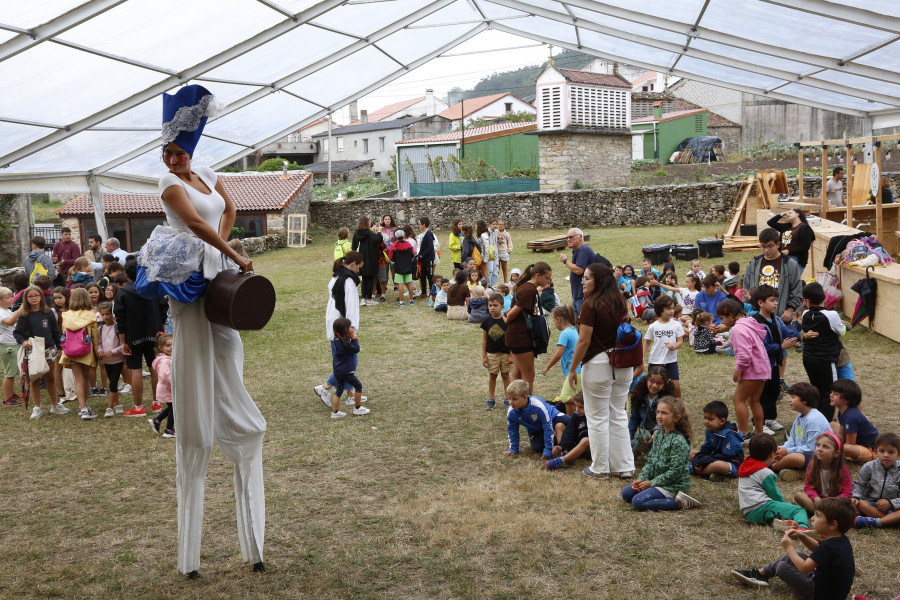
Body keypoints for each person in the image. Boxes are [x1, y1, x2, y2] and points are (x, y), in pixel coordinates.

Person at [151, 84, 266, 577]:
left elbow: (226, 209)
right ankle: (194, 419)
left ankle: (232, 411)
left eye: (178, 151)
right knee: (197, 353)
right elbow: (197, 225)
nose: (172, 158)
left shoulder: (209, 173)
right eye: (167, 152)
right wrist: (235, 252)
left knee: (230, 347)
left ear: (191, 149)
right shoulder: (168, 186)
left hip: (218, 279)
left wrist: (228, 245)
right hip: (191, 283)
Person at [568, 263, 634, 479]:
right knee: (618, 414)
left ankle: (600, 468)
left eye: (586, 278)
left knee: (597, 417)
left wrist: (572, 368)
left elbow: (583, 341)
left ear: (599, 281)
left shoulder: (590, 305)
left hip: (598, 365)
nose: (582, 281)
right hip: (623, 363)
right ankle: (624, 466)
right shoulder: (620, 302)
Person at [730, 496, 856, 598]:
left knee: (782, 567)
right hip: (833, 591)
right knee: (799, 555)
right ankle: (761, 573)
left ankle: (764, 574)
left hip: (821, 594)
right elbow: (818, 549)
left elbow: (804, 568)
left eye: (817, 515)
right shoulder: (840, 540)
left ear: (833, 524)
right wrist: (802, 536)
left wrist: (788, 547)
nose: (812, 518)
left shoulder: (829, 546)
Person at [621, 396, 701, 511]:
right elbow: (650, 461)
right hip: (656, 480)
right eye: (658, 412)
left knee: (637, 502)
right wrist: (642, 479)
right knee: (626, 494)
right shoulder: (659, 434)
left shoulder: (678, 441)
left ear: (676, 417)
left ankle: (680, 503)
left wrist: (651, 483)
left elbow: (675, 472)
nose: (659, 416)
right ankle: (652, 490)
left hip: (672, 485)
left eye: (664, 413)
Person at [313, 252, 365, 408]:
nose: (358, 272)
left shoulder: (337, 277)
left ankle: (350, 394)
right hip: (342, 326)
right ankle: (324, 387)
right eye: (359, 268)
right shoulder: (348, 282)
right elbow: (350, 307)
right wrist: (351, 329)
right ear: (354, 263)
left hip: (334, 322)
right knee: (347, 364)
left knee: (346, 361)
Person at [717, 299, 769, 441]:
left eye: (723, 319)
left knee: (738, 399)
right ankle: (759, 433)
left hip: (752, 370)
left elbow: (745, 355)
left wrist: (738, 369)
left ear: (731, 315)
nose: (723, 322)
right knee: (754, 401)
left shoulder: (739, 329)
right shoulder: (749, 324)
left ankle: (744, 434)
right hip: (763, 369)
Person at [115, 261, 161, 416]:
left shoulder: (123, 292)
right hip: (154, 333)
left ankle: (139, 407)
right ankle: (157, 402)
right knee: (154, 367)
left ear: (126, 275)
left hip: (132, 335)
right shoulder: (153, 288)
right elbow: (163, 307)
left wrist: (122, 342)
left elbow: (120, 319)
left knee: (136, 370)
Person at [751, 285, 798, 434]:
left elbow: (787, 332)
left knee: (773, 391)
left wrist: (801, 334)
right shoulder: (756, 323)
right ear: (760, 303)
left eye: (776, 300)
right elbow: (761, 348)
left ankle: (770, 418)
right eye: (772, 300)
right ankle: (759, 423)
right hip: (762, 366)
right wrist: (781, 346)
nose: (776, 303)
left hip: (774, 364)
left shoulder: (776, 319)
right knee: (762, 394)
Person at [738, 433, 811, 530]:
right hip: (760, 508)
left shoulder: (746, 465)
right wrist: (784, 505)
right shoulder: (766, 473)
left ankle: (780, 522)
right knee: (799, 510)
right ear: (772, 455)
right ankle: (803, 528)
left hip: (748, 512)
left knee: (776, 512)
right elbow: (774, 494)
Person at [14, 285, 63, 419]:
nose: (33, 298)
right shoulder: (24, 315)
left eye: (36, 295)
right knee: (34, 378)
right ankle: (37, 407)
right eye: (30, 296)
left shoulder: (48, 313)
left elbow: (55, 331)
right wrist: (23, 341)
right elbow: (17, 332)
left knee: (50, 378)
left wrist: (59, 347)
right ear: (26, 298)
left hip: (48, 349)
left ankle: (55, 405)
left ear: (41, 296)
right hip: (33, 351)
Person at [504, 262, 552, 394]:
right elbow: (514, 313)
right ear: (537, 275)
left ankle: (514, 403)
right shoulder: (529, 289)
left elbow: (517, 308)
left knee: (518, 375)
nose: (548, 281)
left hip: (517, 335)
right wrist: (506, 319)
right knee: (528, 377)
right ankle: (526, 406)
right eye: (547, 278)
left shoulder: (525, 286)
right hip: (521, 337)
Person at [800, 282, 844, 423]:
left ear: (806, 301)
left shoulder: (806, 314)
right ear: (824, 297)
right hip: (826, 359)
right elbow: (841, 332)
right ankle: (826, 423)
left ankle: (817, 419)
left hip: (808, 358)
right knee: (829, 393)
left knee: (817, 390)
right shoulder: (831, 315)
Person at [772, 382, 831, 480]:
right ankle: (803, 472)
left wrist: (787, 451)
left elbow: (812, 448)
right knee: (773, 452)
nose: (789, 400)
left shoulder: (814, 419)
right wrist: (781, 449)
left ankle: (773, 467)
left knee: (793, 458)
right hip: (803, 454)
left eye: (793, 397)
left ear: (805, 400)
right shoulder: (800, 416)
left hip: (819, 457)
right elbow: (792, 440)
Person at [745, 228, 803, 326]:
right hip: (756, 318)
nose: (766, 250)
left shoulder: (790, 264)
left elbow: (797, 292)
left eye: (770, 246)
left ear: (778, 245)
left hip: (780, 318)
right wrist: (747, 311)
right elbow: (746, 290)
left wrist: (789, 310)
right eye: (763, 246)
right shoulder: (754, 264)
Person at [58, 288, 100, 420]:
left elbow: (65, 333)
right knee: (85, 378)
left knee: (78, 379)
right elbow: (94, 336)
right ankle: (84, 408)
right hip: (86, 351)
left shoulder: (66, 315)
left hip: (71, 351)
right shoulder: (91, 315)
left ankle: (82, 407)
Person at [503, 379, 570, 460]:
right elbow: (512, 430)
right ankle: (558, 440)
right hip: (536, 429)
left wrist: (548, 450)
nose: (510, 402)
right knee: (537, 448)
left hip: (552, 417)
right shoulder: (511, 412)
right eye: (509, 398)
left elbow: (547, 426)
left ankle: (569, 436)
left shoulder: (538, 406)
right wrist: (513, 448)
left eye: (514, 399)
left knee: (570, 421)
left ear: (524, 397)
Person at [794, 432, 852, 514]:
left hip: (834, 502)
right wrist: (816, 498)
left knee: (850, 504)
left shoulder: (842, 469)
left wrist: (833, 502)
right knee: (799, 495)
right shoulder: (812, 465)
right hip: (818, 501)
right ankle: (824, 514)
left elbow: (847, 492)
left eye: (825, 447)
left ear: (836, 453)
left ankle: (821, 514)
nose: (820, 449)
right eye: (818, 445)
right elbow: (808, 487)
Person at [851, 432, 900, 528]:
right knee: (860, 504)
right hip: (872, 504)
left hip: (894, 507)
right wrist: (855, 497)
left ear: (898, 454)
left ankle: (877, 522)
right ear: (875, 452)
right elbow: (860, 484)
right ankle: (892, 522)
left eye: (891, 452)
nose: (886, 455)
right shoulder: (869, 466)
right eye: (882, 451)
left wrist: (890, 503)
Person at [690, 400, 744, 482]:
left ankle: (692, 469)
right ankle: (710, 474)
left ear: (722, 421)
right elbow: (706, 448)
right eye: (705, 418)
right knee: (690, 453)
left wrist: (703, 461)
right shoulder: (710, 429)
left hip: (730, 463)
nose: (706, 421)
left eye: (710, 419)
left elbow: (726, 457)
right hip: (714, 456)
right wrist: (698, 460)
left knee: (719, 465)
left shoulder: (730, 435)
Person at [540, 304, 580, 413]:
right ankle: (570, 422)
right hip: (577, 370)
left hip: (576, 371)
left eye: (554, 320)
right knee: (569, 398)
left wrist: (547, 367)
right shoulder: (573, 329)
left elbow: (558, 354)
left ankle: (587, 402)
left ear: (558, 319)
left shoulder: (565, 334)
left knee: (565, 397)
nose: (554, 323)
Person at [329, 317, 370, 419]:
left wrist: (351, 339)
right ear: (346, 331)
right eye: (350, 327)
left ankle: (335, 412)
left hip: (337, 372)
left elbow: (347, 343)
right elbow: (356, 349)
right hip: (347, 372)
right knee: (358, 386)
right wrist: (354, 339)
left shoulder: (335, 341)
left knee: (339, 391)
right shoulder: (346, 345)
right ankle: (357, 408)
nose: (352, 328)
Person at [643, 295, 684, 398]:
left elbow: (680, 341)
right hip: (655, 361)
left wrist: (673, 346)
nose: (672, 311)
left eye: (673, 308)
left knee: (675, 387)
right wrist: (642, 356)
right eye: (669, 308)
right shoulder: (653, 326)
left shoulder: (676, 325)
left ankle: (679, 405)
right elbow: (647, 342)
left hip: (671, 361)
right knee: (653, 387)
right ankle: (651, 406)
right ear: (660, 309)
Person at [830, 379, 879, 463]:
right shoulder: (843, 411)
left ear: (846, 399)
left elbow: (850, 443)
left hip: (870, 449)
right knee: (831, 424)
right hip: (857, 443)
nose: (831, 395)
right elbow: (842, 433)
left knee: (846, 448)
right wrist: (839, 442)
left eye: (835, 394)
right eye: (831, 392)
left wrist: (837, 446)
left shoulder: (851, 417)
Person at [628, 366, 673, 456]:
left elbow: (665, 421)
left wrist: (656, 431)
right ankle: (638, 448)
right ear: (647, 379)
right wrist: (628, 438)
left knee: (657, 457)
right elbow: (634, 419)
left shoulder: (667, 398)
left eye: (659, 383)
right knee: (627, 447)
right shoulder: (639, 394)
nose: (654, 386)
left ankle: (648, 450)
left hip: (660, 433)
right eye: (651, 381)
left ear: (664, 384)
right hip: (643, 434)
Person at [546, 391, 592, 470]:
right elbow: (569, 432)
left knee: (585, 440)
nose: (577, 409)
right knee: (559, 425)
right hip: (576, 443)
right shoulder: (576, 415)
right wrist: (561, 446)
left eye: (581, 407)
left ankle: (561, 461)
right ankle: (564, 452)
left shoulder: (595, 417)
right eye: (576, 406)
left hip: (590, 448)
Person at [481, 293, 511, 410]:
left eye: (495, 305)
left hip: (505, 353)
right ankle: (491, 399)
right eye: (490, 305)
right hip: (491, 354)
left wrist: (511, 355)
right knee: (492, 375)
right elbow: (484, 340)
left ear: (502, 307)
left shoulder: (507, 321)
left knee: (505, 375)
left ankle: (508, 398)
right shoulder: (486, 321)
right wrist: (484, 356)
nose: (492, 308)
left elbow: (511, 339)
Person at [97, 301, 124, 417]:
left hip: (118, 360)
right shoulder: (101, 329)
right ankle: (118, 404)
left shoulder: (118, 327)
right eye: (103, 315)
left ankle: (110, 407)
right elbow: (99, 343)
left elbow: (122, 345)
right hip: (106, 361)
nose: (106, 317)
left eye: (108, 314)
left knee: (113, 383)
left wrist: (112, 352)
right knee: (112, 382)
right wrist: (100, 351)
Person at [559, 228, 595, 315]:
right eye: (567, 237)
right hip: (578, 295)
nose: (568, 240)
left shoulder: (583, 250)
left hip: (583, 295)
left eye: (571, 237)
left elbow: (579, 270)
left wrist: (565, 261)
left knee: (582, 322)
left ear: (580, 237)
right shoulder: (578, 251)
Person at [147, 332, 175, 437]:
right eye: (168, 345)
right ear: (160, 347)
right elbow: (165, 376)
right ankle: (169, 430)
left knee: (173, 407)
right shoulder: (164, 361)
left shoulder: (171, 358)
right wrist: (175, 385)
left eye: (173, 344)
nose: (171, 347)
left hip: (170, 388)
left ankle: (157, 421)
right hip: (168, 388)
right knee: (174, 409)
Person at [352, 216, 383, 306]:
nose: (370, 222)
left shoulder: (357, 233)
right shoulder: (369, 233)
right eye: (369, 221)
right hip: (370, 259)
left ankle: (363, 299)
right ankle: (369, 299)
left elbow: (353, 247)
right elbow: (378, 240)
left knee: (364, 279)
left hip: (359, 259)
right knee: (369, 279)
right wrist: (379, 232)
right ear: (366, 223)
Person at [0, 287, 22, 406]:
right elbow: (9, 322)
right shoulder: (0, 312)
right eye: (8, 298)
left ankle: (11, 393)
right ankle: (7, 398)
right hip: (7, 347)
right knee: (9, 373)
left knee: (12, 372)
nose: (11, 299)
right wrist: (20, 310)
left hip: (13, 344)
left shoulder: (6, 310)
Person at [387, 229, 415, 306]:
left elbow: (391, 257)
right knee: (409, 283)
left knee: (400, 284)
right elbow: (413, 255)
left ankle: (401, 301)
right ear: (403, 236)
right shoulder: (409, 245)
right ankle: (411, 300)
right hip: (408, 266)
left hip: (398, 266)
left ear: (396, 236)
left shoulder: (394, 246)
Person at [416, 217, 436, 299]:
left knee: (430, 276)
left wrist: (422, 255)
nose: (419, 226)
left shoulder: (429, 233)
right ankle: (423, 292)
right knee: (422, 275)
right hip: (423, 259)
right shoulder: (423, 234)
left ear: (424, 224)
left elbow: (430, 247)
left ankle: (431, 293)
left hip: (428, 258)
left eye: (419, 224)